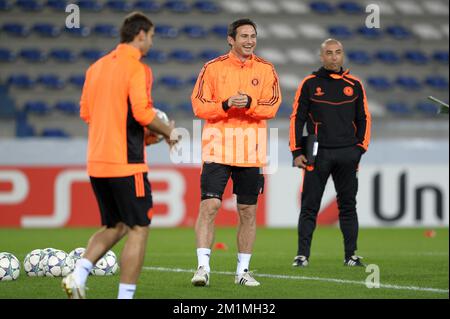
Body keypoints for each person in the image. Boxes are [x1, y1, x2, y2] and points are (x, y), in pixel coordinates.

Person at [62, 12, 176, 299]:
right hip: (126, 163)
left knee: (115, 225)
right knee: (139, 228)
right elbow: (142, 113)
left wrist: (142, 134)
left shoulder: (96, 68)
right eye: (150, 36)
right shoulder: (138, 68)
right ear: (140, 35)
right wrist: (167, 131)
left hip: (97, 161)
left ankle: (77, 276)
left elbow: (86, 113)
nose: (151, 42)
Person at [190, 18, 281, 287]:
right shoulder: (212, 68)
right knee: (210, 206)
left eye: (253, 36)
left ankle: (243, 271)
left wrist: (251, 103)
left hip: (251, 152)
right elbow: (199, 105)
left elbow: (272, 105)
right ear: (231, 39)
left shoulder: (266, 69)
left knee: (247, 211)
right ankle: (202, 268)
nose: (249, 41)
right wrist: (227, 104)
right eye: (243, 36)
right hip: (217, 148)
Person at [289, 39, 371, 268]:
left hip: (348, 154)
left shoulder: (354, 84)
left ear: (342, 55)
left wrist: (360, 149)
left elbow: (364, 118)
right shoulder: (309, 83)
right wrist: (296, 151)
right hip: (318, 153)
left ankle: (351, 255)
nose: (334, 57)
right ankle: (302, 255)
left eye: (338, 53)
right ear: (321, 57)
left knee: (348, 205)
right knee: (310, 206)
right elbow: (297, 118)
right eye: (329, 53)